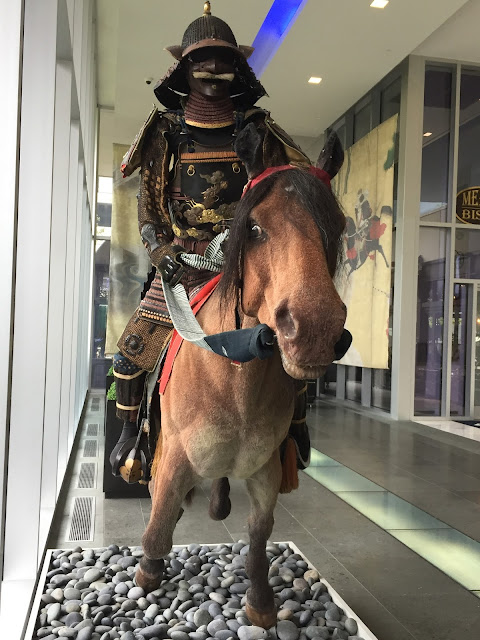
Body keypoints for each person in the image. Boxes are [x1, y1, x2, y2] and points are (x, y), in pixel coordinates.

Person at [111, 1, 312, 483]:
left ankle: (296, 427)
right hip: (183, 264)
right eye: (204, 59)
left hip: (247, 263)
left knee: (299, 333)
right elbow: (150, 203)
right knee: (130, 350)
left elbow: (282, 191)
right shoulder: (165, 130)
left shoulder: (258, 129)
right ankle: (131, 436)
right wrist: (161, 250)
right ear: (184, 66)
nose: (215, 68)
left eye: (225, 60)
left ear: (238, 67)